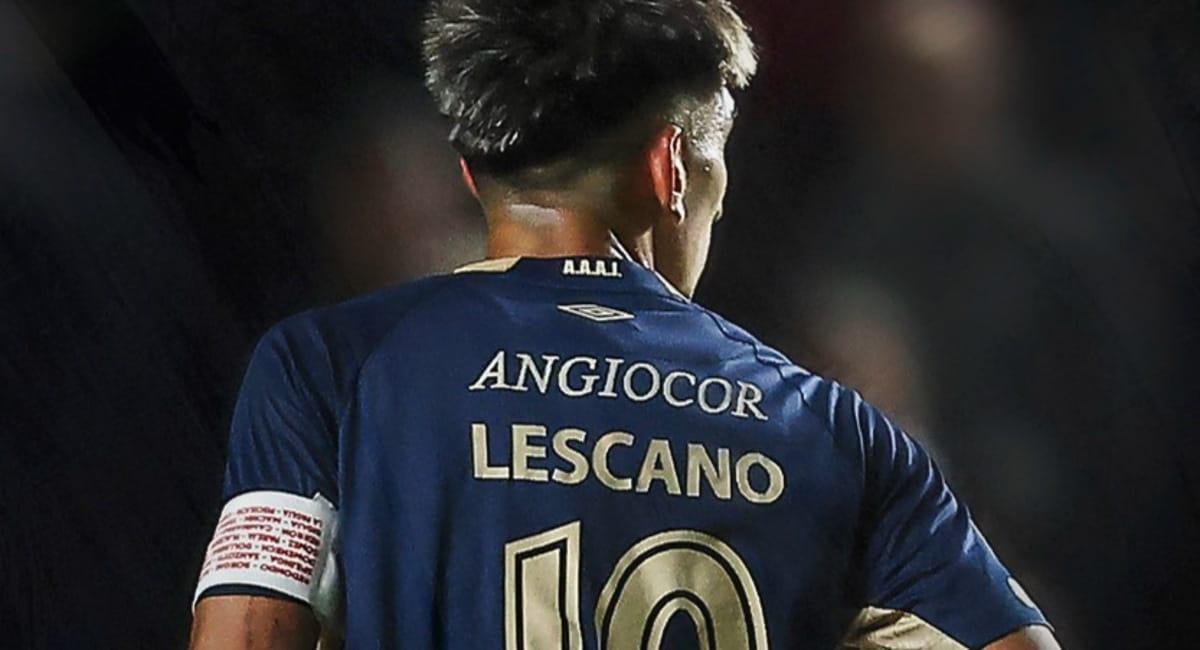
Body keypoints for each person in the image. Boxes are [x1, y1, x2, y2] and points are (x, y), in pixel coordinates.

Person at [188, 1, 1060, 648]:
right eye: (717, 166)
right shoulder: (838, 433)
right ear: (672, 167)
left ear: (472, 172)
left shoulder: (329, 371)